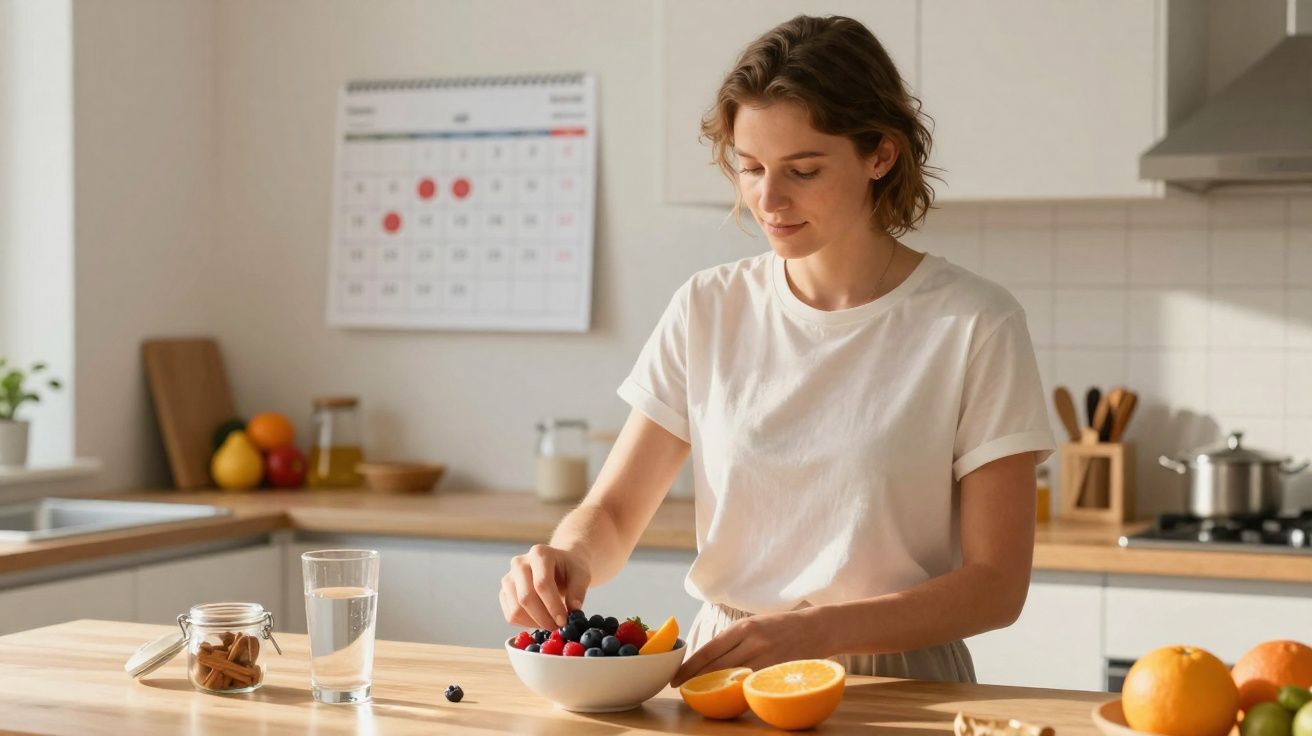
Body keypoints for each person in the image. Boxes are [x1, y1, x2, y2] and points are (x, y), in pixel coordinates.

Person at [499, 14, 1053, 686]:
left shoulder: (975, 323)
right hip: (724, 676)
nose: (769, 199)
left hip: (900, 684)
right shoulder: (707, 309)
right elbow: (613, 514)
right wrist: (567, 557)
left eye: (803, 169)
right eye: (751, 167)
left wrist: (814, 631)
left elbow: (997, 586)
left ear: (881, 154)